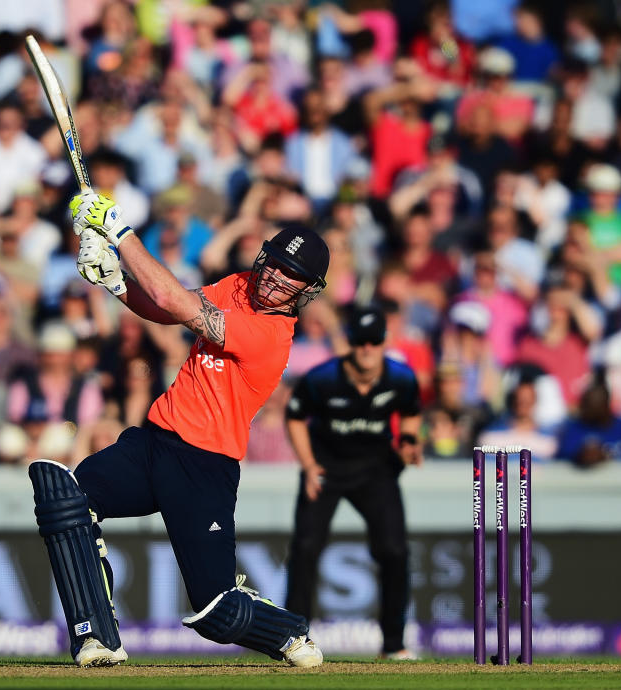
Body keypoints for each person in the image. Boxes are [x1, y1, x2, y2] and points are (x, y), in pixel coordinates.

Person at [27, 190, 331, 667]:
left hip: (204, 466)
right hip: (154, 443)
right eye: (273, 262)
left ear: (305, 289)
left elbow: (173, 297)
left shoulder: (271, 337)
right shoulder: (238, 284)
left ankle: (288, 631)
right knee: (65, 498)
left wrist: (119, 231)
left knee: (216, 613)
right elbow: (169, 309)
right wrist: (116, 282)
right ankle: (97, 637)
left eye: (291, 274)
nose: (275, 276)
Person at [283, 305, 422, 659]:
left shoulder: (402, 378)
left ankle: (394, 645)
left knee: (394, 551)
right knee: (305, 550)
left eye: (374, 342)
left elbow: (410, 414)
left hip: (376, 468)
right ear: (350, 343)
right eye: (360, 342)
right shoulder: (322, 378)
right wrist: (309, 465)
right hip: (326, 468)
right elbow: (295, 417)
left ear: (383, 343)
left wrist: (408, 443)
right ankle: (292, 641)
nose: (367, 349)